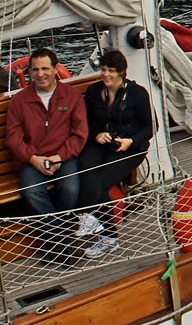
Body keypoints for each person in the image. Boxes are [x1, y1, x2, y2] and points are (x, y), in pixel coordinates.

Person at [5, 47, 87, 264]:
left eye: (45, 69)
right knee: (32, 192)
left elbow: (80, 134)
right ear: (30, 72)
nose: (40, 74)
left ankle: (54, 244)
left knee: (70, 190)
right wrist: (33, 158)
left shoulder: (71, 96)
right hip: (33, 159)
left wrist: (61, 157)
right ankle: (64, 246)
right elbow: (13, 138)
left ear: (54, 69)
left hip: (64, 156)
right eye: (35, 70)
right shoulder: (20, 101)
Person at [77, 50, 153, 258]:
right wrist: (97, 135)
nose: (106, 74)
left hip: (129, 147)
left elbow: (149, 127)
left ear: (122, 73)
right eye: (103, 70)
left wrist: (131, 141)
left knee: (101, 181)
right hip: (102, 142)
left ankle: (106, 234)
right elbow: (86, 123)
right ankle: (90, 219)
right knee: (85, 168)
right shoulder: (94, 92)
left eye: (111, 71)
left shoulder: (137, 94)